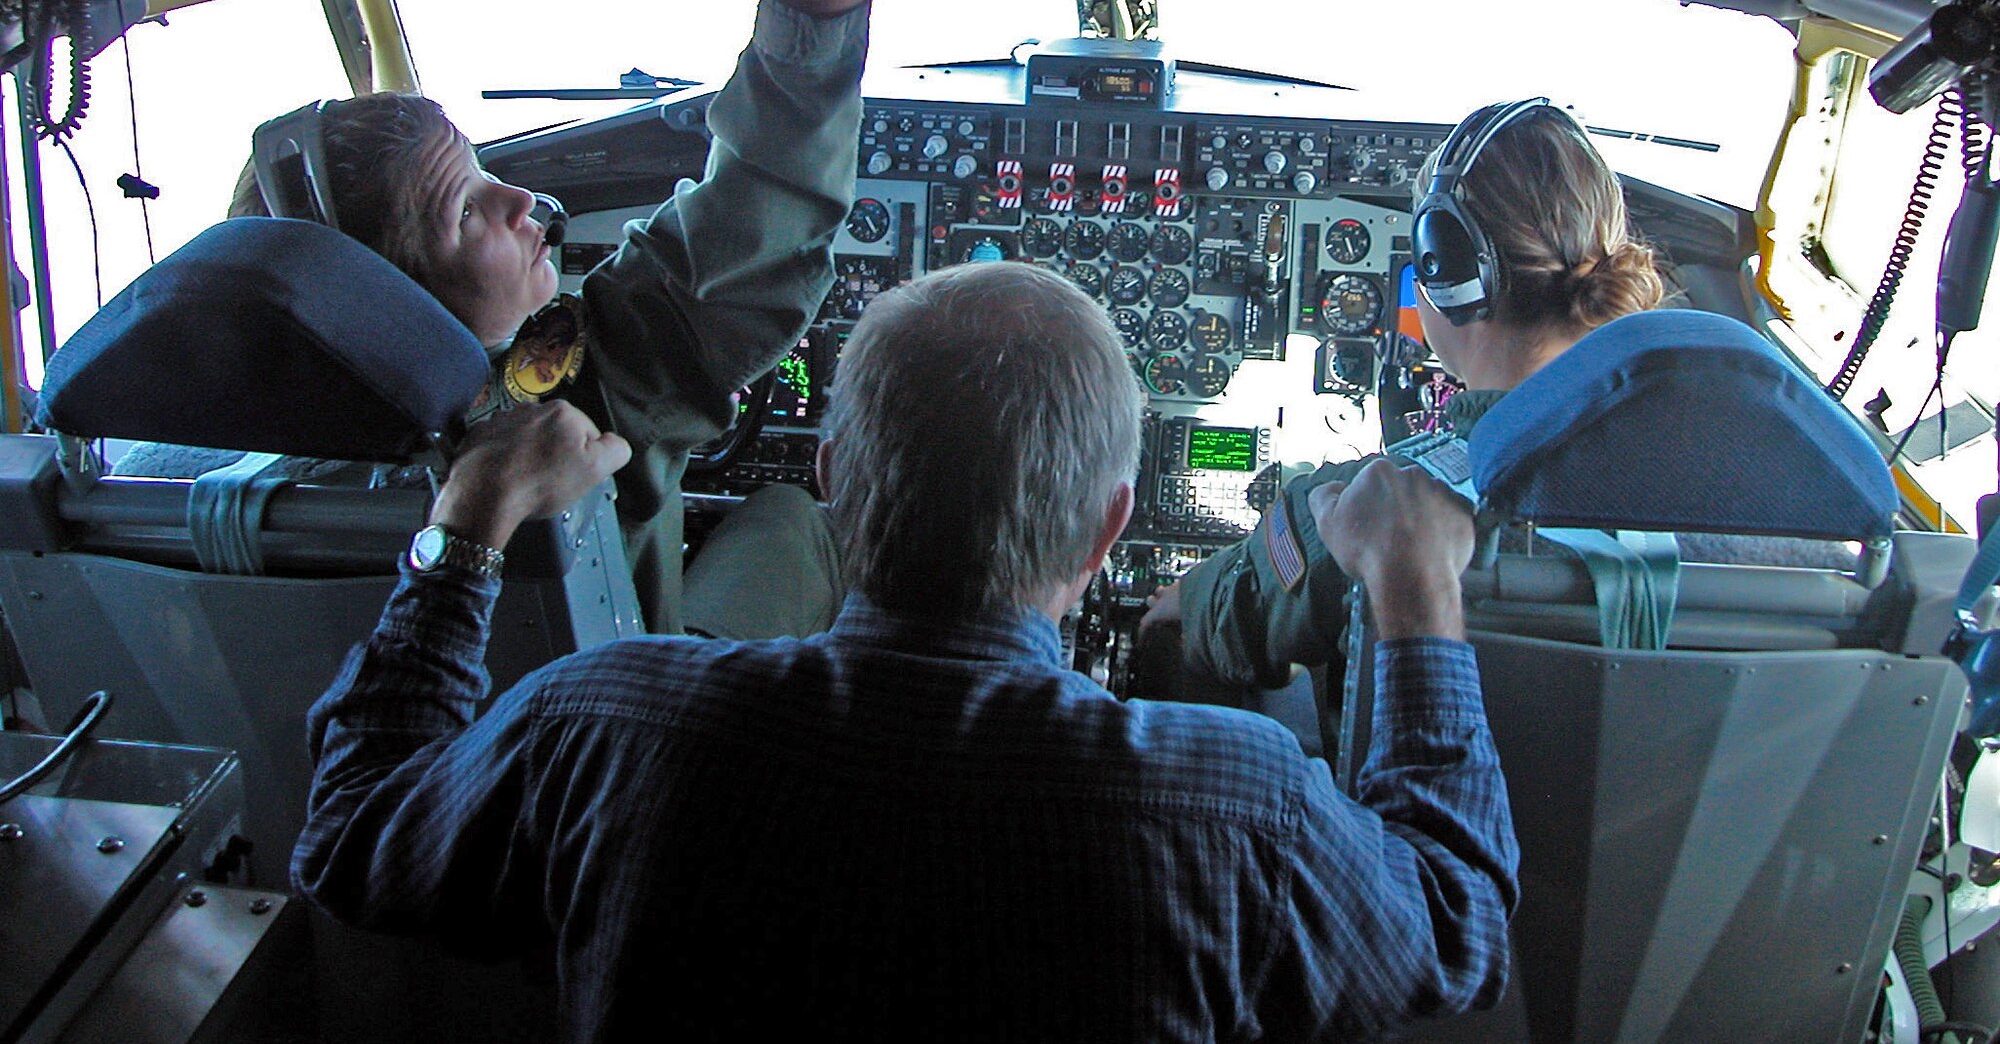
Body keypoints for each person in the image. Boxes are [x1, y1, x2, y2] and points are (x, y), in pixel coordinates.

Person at [292, 260, 1519, 1042]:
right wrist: (1410, 583)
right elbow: (1456, 927)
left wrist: (467, 524)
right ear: (1107, 529)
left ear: (829, 482)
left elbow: (348, 835)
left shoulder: (601, 726)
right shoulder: (1238, 807)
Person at [119, 0, 1015, 638]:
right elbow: (760, 220)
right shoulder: (560, 407)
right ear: (386, 309)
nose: (517, 199)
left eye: (483, 171)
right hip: (639, 738)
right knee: (799, 517)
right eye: (466, 211)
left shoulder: (129, 477)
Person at [1142, 98, 1666, 692]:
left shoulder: (1357, 509)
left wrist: (1177, 596)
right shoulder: (1725, 494)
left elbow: (1200, 622)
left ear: (1449, 275)